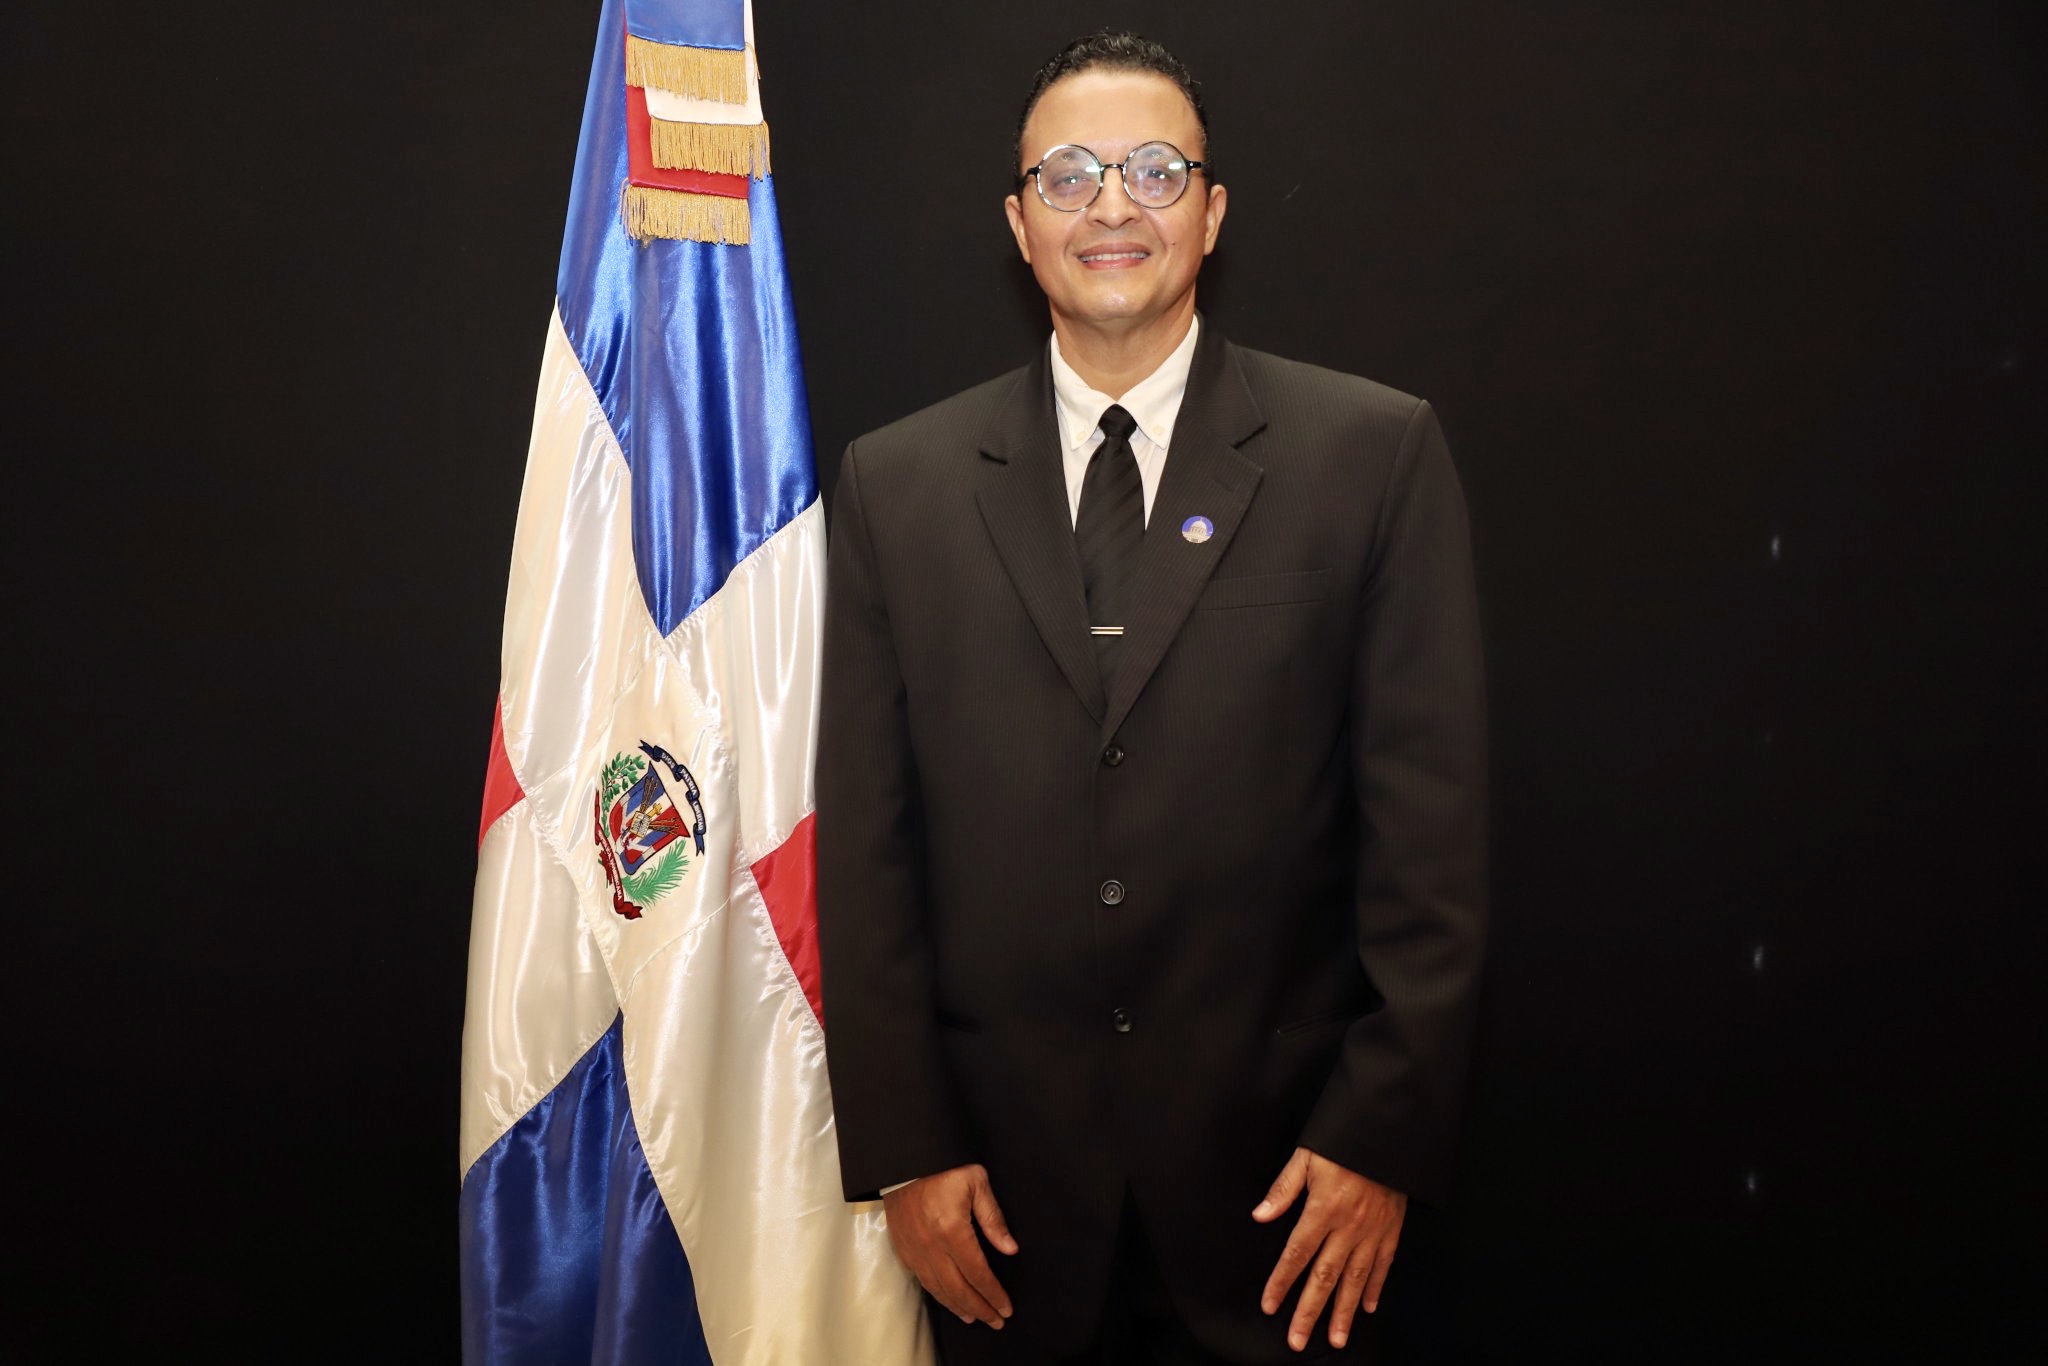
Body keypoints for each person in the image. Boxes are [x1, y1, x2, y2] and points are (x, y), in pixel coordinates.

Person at [816, 31, 1487, 1365]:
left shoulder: (1371, 456)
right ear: (1020, 225)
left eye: (1155, 171)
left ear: (1213, 212)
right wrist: (907, 1149)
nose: (1111, 205)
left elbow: (1434, 841)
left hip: (1291, 1203)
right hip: (998, 1211)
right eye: (1068, 175)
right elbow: (870, 846)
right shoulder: (899, 485)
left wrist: (1381, 1136)